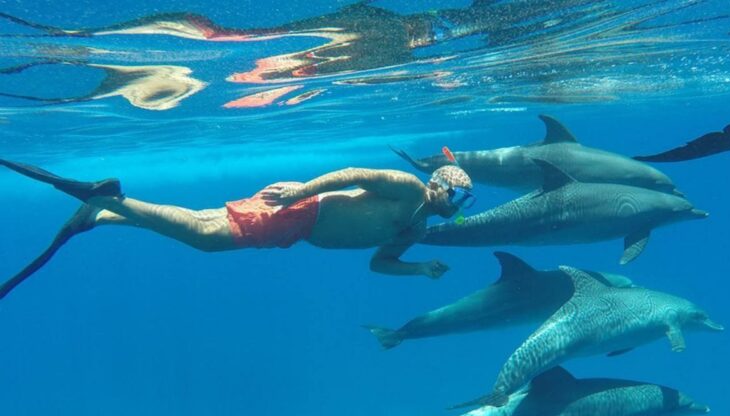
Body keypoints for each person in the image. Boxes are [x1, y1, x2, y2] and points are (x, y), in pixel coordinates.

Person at [0, 158, 475, 299]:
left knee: (206, 222)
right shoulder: (409, 189)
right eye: (457, 193)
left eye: (464, 199)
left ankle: (102, 215)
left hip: (298, 227)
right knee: (207, 239)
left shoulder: (416, 231)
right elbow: (352, 175)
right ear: (439, 185)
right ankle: (110, 198)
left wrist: (419, 271)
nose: (459, 203)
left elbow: (380, 263)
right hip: (301, 209)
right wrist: (299, 192)